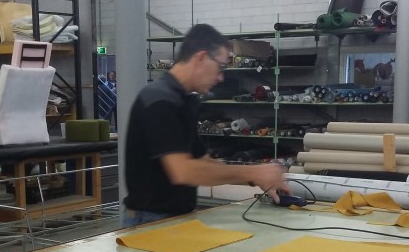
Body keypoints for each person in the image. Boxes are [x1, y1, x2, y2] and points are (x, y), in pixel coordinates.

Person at [123, 23, 291, 226]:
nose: (220, 77)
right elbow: (184, 171)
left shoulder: (184, 100)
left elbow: (203, 163)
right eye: (220, 67)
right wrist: (253, 172)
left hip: (176, 217)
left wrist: (256, 177)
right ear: (201, 58)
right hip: (149, 221)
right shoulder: (160, 100)